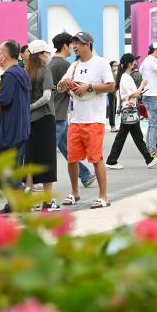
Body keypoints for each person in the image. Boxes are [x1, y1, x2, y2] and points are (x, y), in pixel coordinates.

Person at [56, 31, 115, 209]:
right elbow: (61, 87)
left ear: (88, 44)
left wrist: (89, 87)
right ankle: (74, 192)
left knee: (96, 158)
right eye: (73, 43)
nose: (74, 46)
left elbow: (111, 86)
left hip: (94, 119)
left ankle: (103, 196)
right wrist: (63, 85)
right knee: (72, 158)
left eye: (78, 43)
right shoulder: (74, 65)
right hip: (76, 119)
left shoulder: (101, 63)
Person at [0, 40, 31, 212]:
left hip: (9, 128)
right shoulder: (22, 72)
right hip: (21, 127)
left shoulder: (10, 75)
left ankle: (19, 191)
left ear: (4, 55)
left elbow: (3, 100)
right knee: (14, 167)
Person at [48, 32, 95, 188]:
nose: (74, 47)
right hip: (58, 112)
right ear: (65, 46)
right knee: (47, 150)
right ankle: (32, 179)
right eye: (72, 44)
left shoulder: (52, 62)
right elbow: (74, 87)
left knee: (67, 148)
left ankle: (85, 175)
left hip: (56, 111)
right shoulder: (64, 65)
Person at [106, 54, 157, 170]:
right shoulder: (125, 77)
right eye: (134, 61)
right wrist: (142, 85)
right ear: (129, 63)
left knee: (135, 137)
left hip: (130, 111)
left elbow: (133, 94)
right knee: (125, 137)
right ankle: (112, 161)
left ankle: (148, 159)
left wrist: (140, 91)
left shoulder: (125, 76)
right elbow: (133, 95)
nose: (135, 63)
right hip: (129, 111)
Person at [19, 39, 57, 210]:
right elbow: (47, 97)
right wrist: (32, 106)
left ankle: (27, 201)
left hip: (29, 121)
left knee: (30, 159)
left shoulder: (25, 72)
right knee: (47, 159)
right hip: (45, 118)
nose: (47, 56)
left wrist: (27, 109)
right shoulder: (45, 71)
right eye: (45, 53)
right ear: (40, 55)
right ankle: (47, 202)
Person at [107, 58, 120, 132]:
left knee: (114, 110)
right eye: (114, 65)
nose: (116, 67)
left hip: (114, 93)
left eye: (117, 65)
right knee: (112, 110)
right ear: (111, 66)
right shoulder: (109, 74)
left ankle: (113, 125)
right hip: (110, 93)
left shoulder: (115, 74)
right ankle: (112, 126)